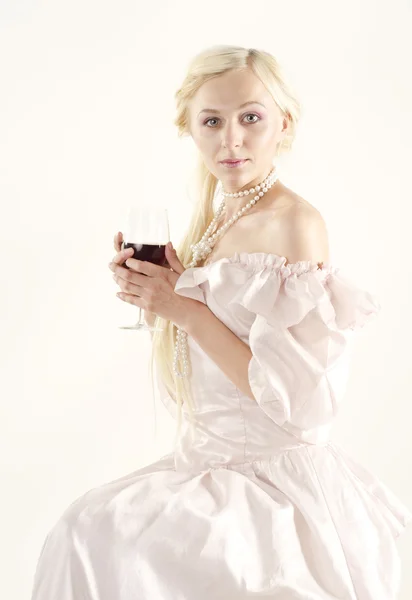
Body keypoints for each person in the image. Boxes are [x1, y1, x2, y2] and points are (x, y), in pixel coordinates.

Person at [31, 44, 412, 600]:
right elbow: (216, 338)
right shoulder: (216, 214)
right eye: (212, 121)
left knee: (97, 534)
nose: (231, 140)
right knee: (83, 528)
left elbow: (301, 410)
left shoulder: (296, 223)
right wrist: (160, 293)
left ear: (284, 122)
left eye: (250, 118)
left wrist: (183, 307)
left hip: (267, 475)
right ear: (189, 127)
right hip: (202, 461)